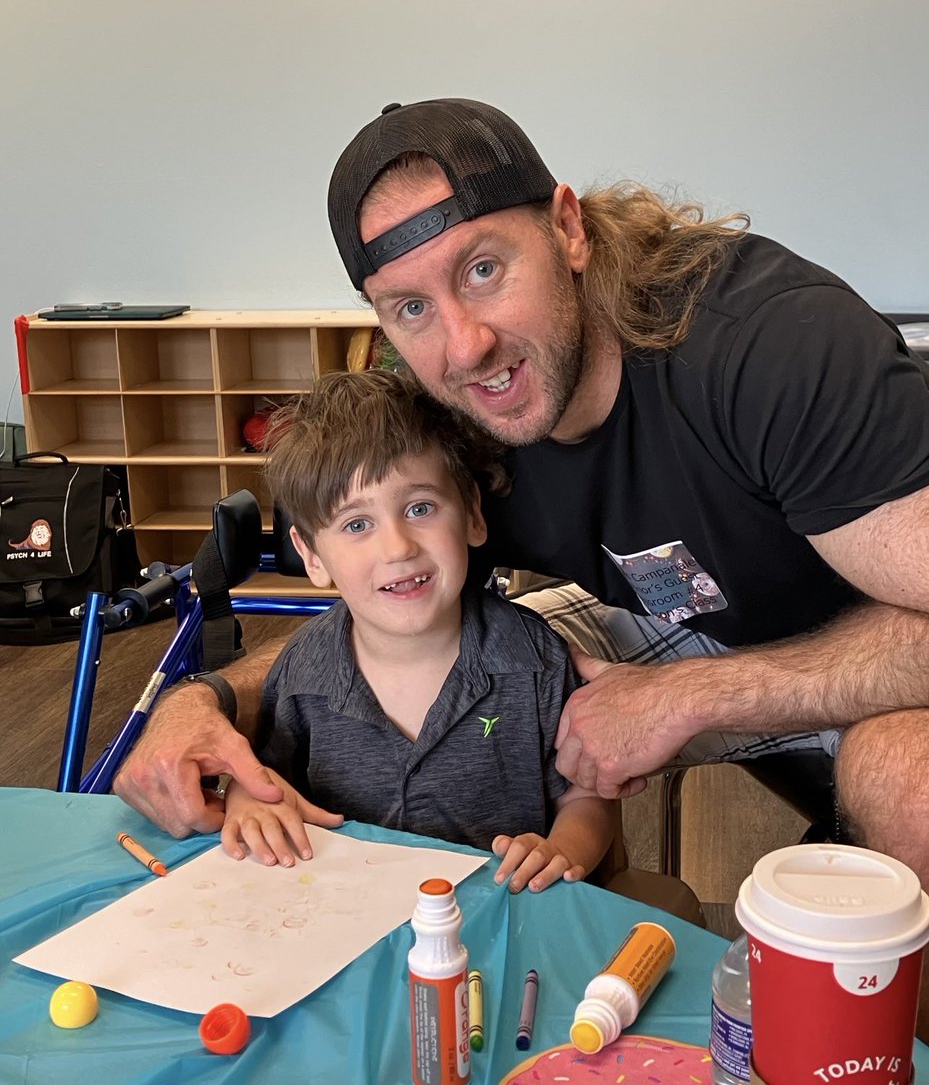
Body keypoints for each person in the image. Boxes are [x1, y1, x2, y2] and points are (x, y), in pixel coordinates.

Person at [115, 98, 929, 903]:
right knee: (484, 670)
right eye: (411, 307)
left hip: (886, 640)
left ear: (567, 230)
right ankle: (583, 947)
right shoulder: (448, 418)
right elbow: (381, 615)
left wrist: (690, 699)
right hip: (686, 625)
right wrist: (206, 699)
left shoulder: (767, 343)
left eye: (483, 269)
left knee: (908, 783)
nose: (466, 344)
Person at [214, 369, 615, 893]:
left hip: (502, 920)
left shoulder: (534, 659)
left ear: (472, 513)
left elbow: (586, 797)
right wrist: (247, 802)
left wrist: (562, 850)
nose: (398, 547)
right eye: (357, 525)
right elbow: (265, 779)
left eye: (420, 508)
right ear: (312, 555)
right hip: (345, 920)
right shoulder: (303, 670)